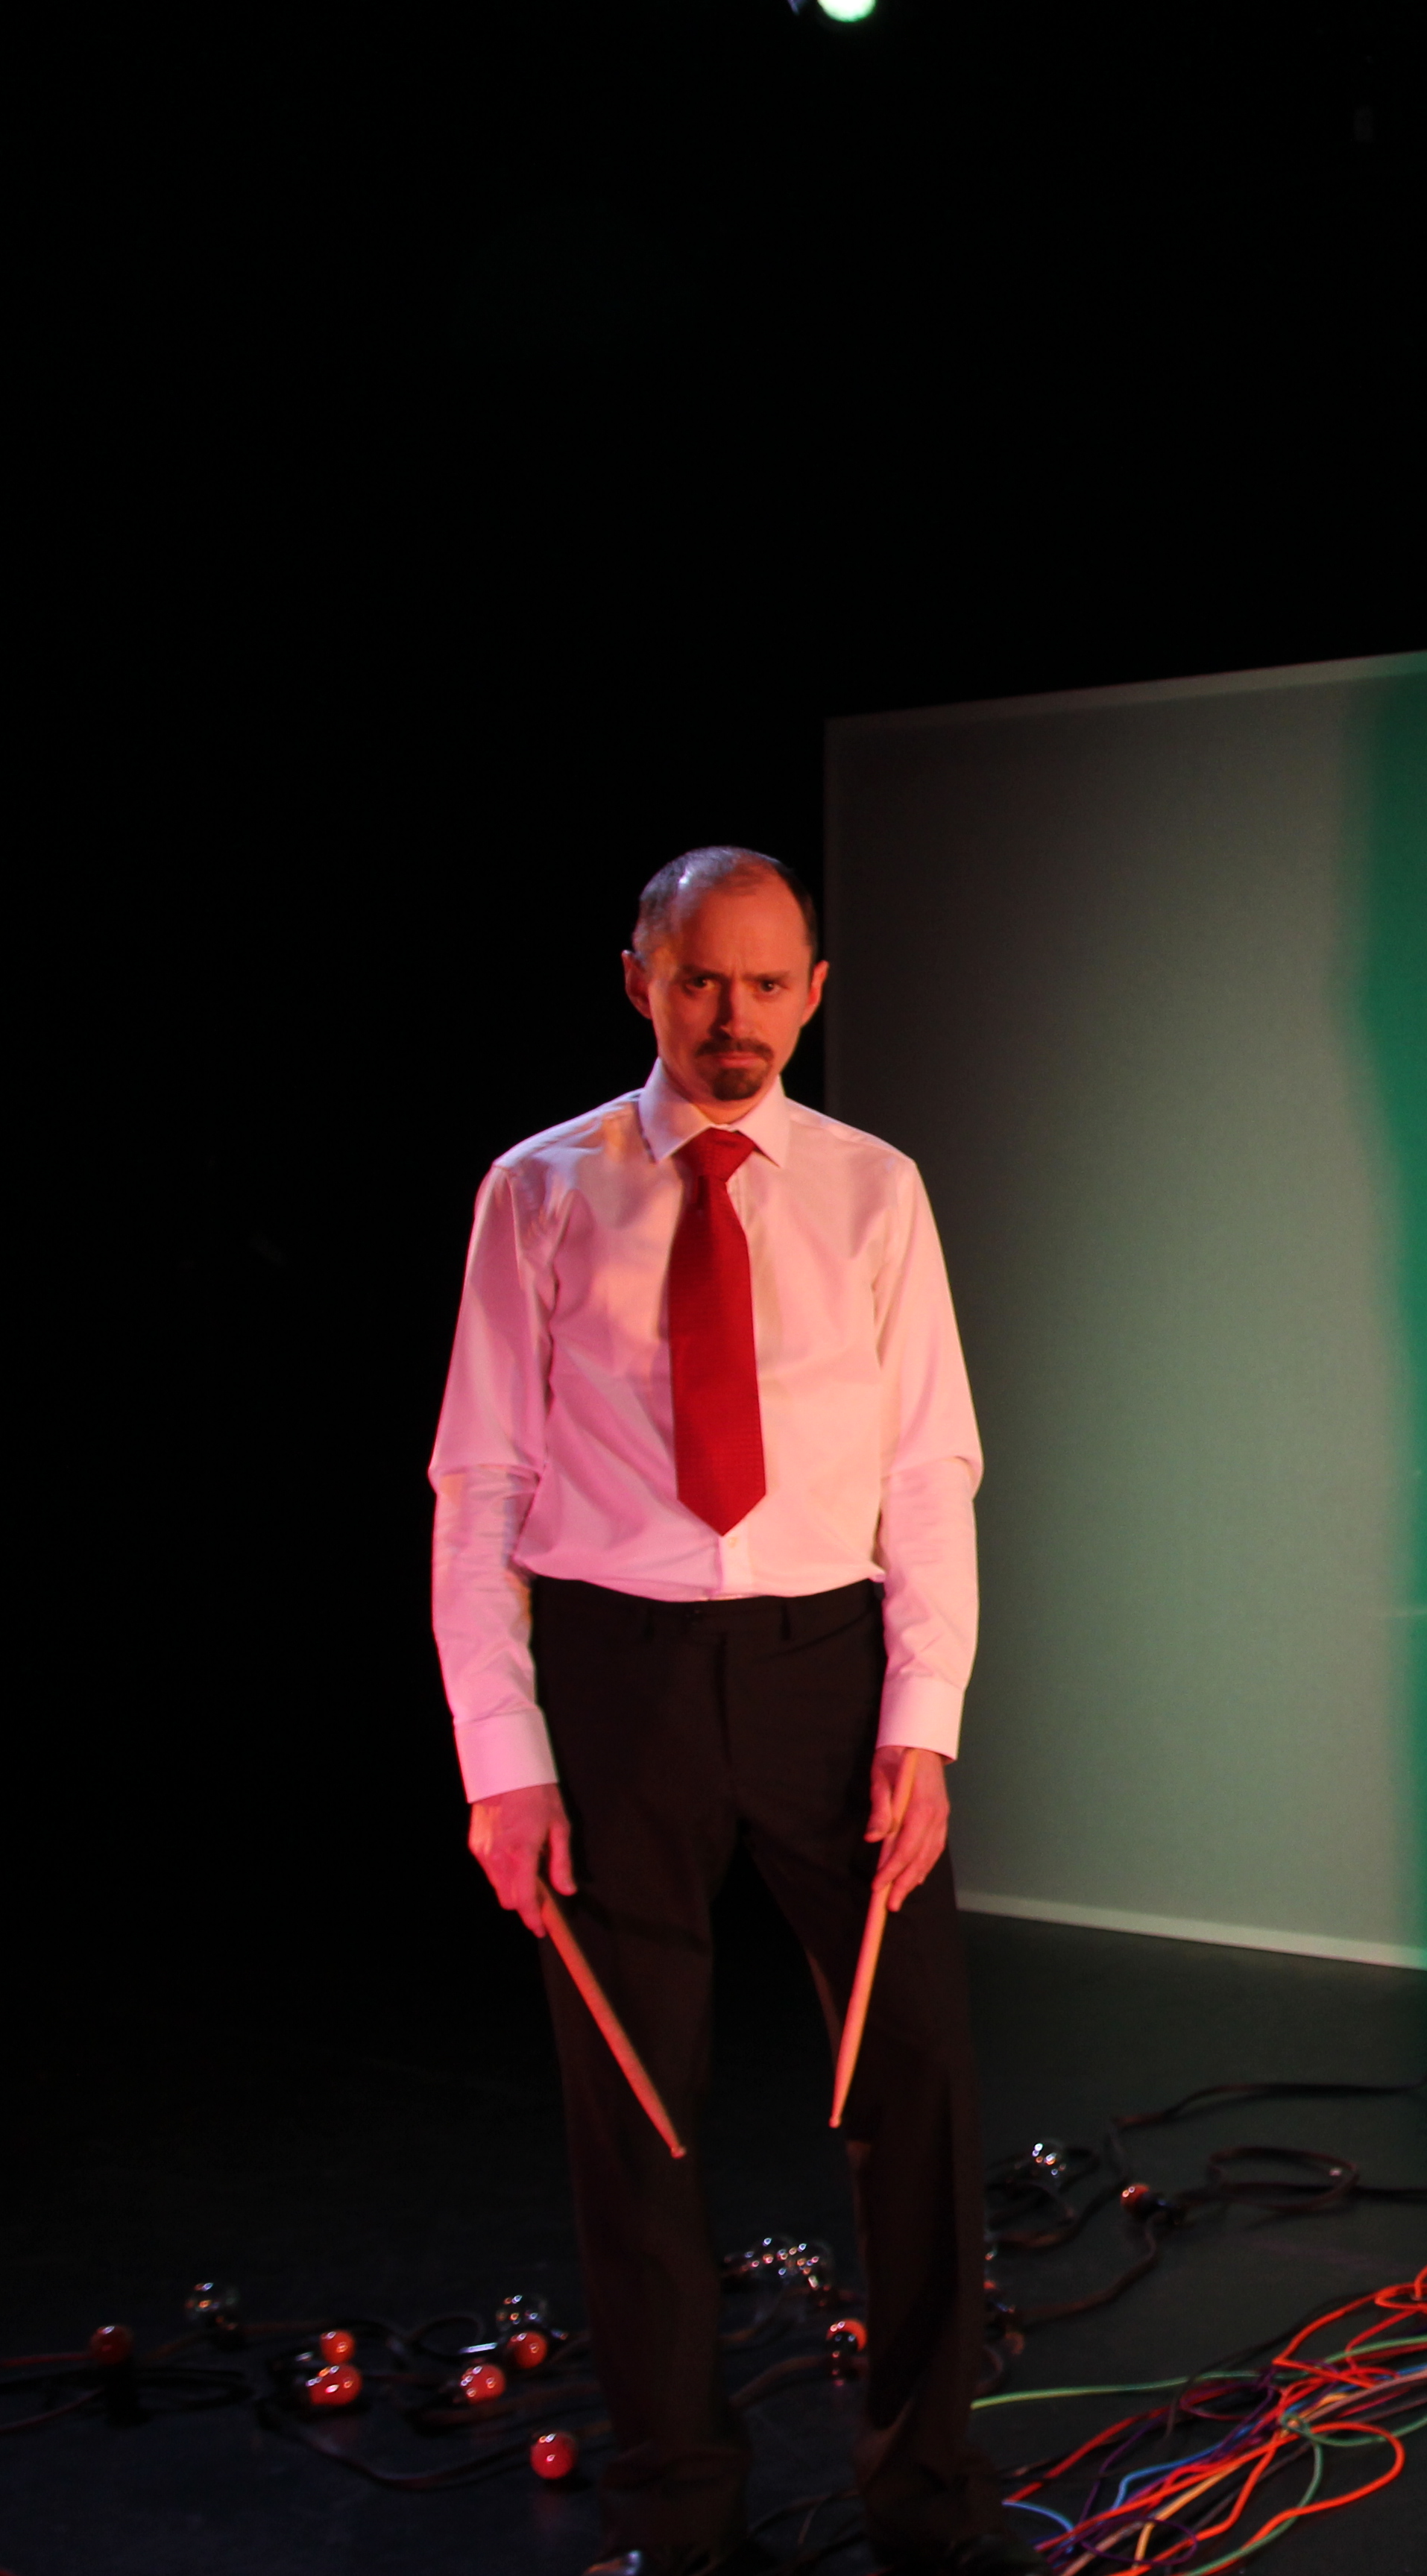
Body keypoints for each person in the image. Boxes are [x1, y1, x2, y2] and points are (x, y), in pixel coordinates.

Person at [432, 847, 1032, 2576]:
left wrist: (925, 1721)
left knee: (915, 2084)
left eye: (770, 985)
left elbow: (930, 1471)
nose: (735, 1018)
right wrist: (503, 1761)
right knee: (635, 2117)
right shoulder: (538, 1190)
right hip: (617, 1678)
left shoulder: (874, 1190)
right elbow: (478, 1486)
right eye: (702, 979)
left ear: (815, 993)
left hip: (827, 1673)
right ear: (641, 978)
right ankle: (679, 2520)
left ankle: (927, 2503)